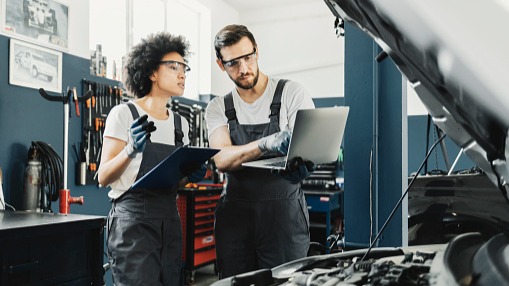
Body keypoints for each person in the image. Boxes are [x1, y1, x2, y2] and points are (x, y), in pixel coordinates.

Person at [205, 24, 316, 279]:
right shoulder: (218, 107)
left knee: (288, 282)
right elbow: (221, 158)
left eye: (248, 57)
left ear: (257, 51)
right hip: (235, 220)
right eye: (233, 63)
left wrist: (304, 167)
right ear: (221, 65)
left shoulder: (292, 93)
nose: (244, 68)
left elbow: (311, 149)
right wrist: (265, 143)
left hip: (284, 218)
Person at [97, 32, 207, 286]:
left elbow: (172, 182)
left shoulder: (182, 124)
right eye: (174, 67)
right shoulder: (124, 114)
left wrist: (189, 177)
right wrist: (129, 150)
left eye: (184, 68)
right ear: (151, 72)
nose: (182, 74)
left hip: (170, 219)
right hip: (132, 222)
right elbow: (103, 177)